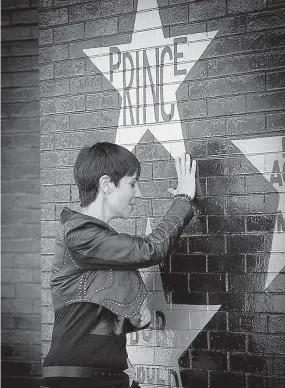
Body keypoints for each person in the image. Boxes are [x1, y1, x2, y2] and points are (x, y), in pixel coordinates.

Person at [42, 142, 197, 388]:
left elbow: (87, 317)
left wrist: (129, 322)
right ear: (106, 184)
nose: (138, 193)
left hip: (105, 376)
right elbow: (150, 250)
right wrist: (183, 200)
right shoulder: (80, 234)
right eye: (133, 183)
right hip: (76, 379)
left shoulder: (94, 239)